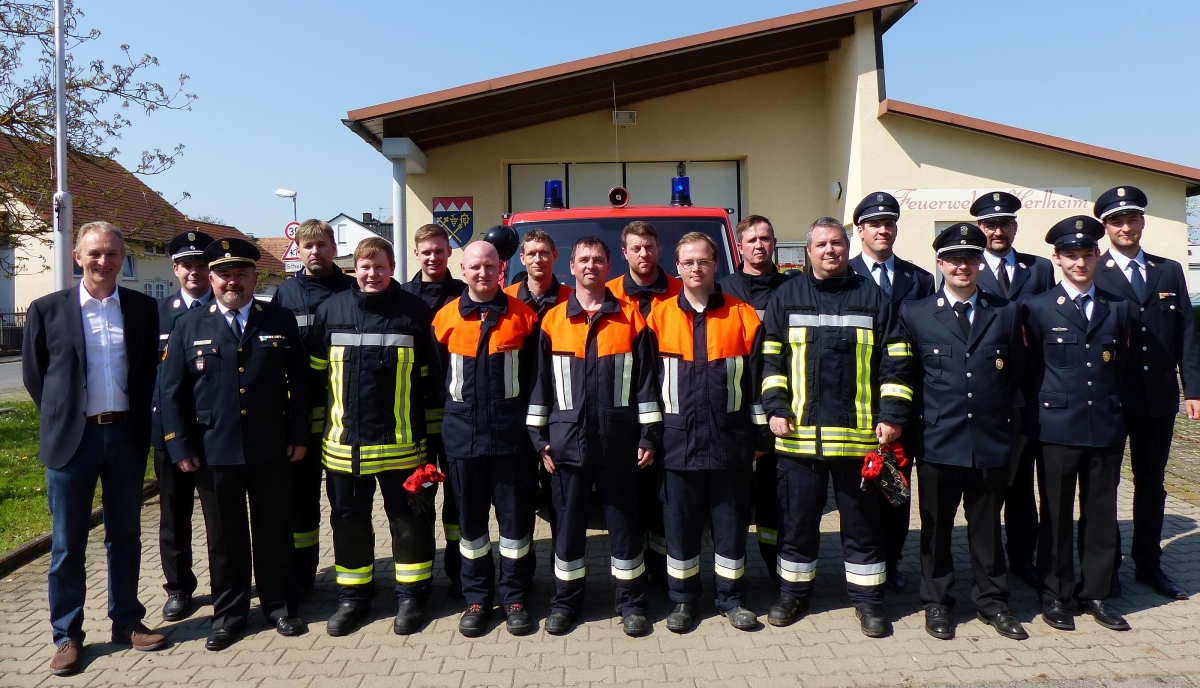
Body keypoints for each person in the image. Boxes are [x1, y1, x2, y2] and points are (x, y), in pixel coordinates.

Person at [23, 221, 165, 676]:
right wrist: (63, 416)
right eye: (95, 254)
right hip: (72, 441)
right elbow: (35, 376)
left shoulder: (144, 309)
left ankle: (126, 620)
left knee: (125, 535)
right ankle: (66, 634)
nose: (104, 261)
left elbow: (146, 373)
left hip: (124, 436)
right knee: (67, 544)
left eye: (112, 254)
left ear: (122, 258)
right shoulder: (47, 310)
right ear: (78, 258)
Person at [759, 217, 912, 638]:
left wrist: (892, 415)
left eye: (837, 244)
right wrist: (775, 407)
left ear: (848, 248)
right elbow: (770, 359)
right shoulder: (786, 296)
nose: (830, 251)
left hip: (860, 440)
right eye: (821, 244)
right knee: (797, 525)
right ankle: (793, 594)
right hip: (799, 439)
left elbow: (896, 361)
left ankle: (869, 603)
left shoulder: (873, 296)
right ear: (807, 252)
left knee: (864, 528)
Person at [160, 238, 309, 651]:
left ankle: (279, 605)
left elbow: (299, 384)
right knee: (224, 538)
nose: (233, 282)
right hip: (213, 450)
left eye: (241, 274)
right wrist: (179, 446)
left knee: (274, 531)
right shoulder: (188, 325)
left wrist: (298, 435)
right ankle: (229, 613)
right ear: (211, 278)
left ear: (254, 277)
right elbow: (171, 392)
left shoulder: (278, 318)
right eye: (224, 275)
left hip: (270, 448)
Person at [896, 223, 1028, 641]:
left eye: (970, 258)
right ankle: (936, 602)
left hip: (990, 440)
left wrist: (1014, 437)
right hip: (938, 440)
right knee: (935, 526)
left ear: (980, 263)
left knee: (987, 526)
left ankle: (993, 602)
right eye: (954, 259)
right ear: (940, 263)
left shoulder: (1005, 312)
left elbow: (1018, 378)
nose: (962, 266)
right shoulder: (915, 313)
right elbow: (906, 377)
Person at [307, 237, 442, 637]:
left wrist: (432, 444)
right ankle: (353, 598)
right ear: (354, 269)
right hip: (344, 448)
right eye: (365, 267)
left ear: (393, 266)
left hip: (404, 447)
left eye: (380, 267)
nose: (372, 274)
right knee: (349, 523)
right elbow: (316, 378)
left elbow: (431, 383)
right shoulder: (330, 311)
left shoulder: (415, 313)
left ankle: (412, 597)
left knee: (410, 525)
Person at [528, 236, 663, 637]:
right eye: (583, 259)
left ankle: (632, 604)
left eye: (598, 260)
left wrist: (649, 435)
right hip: (566, 445)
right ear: (570, 267)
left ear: (609, 267)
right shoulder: (552, 320)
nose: (591, 265)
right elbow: (540, 387)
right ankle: (565, 604)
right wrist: (539, 440)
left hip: (619, 444)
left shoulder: (631, 318)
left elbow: (647, 385)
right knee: (567, 531)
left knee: (624, 528)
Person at [647, 232, 766, 633]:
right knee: (680, 527)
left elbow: (757, 381)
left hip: (730, 441)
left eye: (703, 261)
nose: (696, 269)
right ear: (677, 269)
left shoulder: (742, 314)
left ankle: (731, 599)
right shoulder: (658, 317)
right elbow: (645, 384)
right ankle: (683, 601)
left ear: (716, 266)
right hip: (677, 443)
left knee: (730, 526)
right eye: (688, 262)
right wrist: (649, 435)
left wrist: (760, 437)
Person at [1022, 216, 1131, 632]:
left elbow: (1118, 368)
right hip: (1056, 427)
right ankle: (1055, 594)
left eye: (1087, 254)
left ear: (1097, 257)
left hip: (1103, 423)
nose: (1080, 262)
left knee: (1102, 514)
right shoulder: (1036, 307)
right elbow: (1029, 369)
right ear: (1057, 259)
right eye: (1071, 255)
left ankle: (1096, 593)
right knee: (1054, 513)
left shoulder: (1116, 308)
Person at [1092, 186, 1200, 601]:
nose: (1125, 226)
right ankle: (1108, 568)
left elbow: (1187, 332)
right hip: (1109, 398)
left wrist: (1193, 387)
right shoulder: (1093, 271)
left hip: (1157, 397)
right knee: (1104, 485)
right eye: (1116, 220)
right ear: (1105, 227)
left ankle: (1149, 564)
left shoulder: (1168, 270)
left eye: (1132, 219)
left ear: (1142, 223)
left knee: (1151, 484)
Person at [433, 241, 541, 637]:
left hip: (511, 441)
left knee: (515, 527)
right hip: (462, 441)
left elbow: (535, 381)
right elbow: (435, 382)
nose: (482, 273)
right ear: (463, 269)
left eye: (490, 266)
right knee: (471, 527)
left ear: (502, 269)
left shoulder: (524, 316)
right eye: (475, 266)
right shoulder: (444, 319)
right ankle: (476, 597)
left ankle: (514, 595)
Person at [848, 192, 935, 592]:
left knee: (896, 487)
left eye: (890, 223)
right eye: (875, 224)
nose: (884, 230)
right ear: (860, 230)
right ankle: (865, 561)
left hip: (903, 403)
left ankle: (894, 560)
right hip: (856, 402)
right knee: (861, 489)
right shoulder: (842, 276)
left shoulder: (920, 279)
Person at [970, 191, 1055, 589]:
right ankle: (991, 560)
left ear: (1015, 227)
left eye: (1004, 224)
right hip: (985, 392)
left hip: (1031, 390)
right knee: (993, 483)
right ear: (980, 229)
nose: (998, 231)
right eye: (990, 225)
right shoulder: (967, 267)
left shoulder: (1038, 269)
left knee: (1023, 484)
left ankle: (1024, 555)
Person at [271, 219, 355, 593]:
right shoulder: (285, 294)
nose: (315, 252)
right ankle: (302, 578)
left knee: (345, 503)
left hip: (343, 414)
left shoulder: (353, 290)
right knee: (300, 503)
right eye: (308, 246)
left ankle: (351, 572)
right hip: (300, 417)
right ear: (298, 251)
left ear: (334, 248)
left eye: (322, 244)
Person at [606, 220, 681, 588]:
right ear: (624, 253)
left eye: (649, 246)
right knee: (629, 499)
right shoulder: (608, 294)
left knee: (665, 499)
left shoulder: (682, 290)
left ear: (659, 248)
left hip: (675, 407)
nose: (643, 254)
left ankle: (664, 572)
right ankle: (634, 571)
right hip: (622, 411)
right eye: (635, 248)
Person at [718, 215, 791, 581]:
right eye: (752, 239)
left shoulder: (793, 288)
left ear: (774, 243)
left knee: (774, 495)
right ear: (740, 246)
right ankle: (731, 569)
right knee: (730, 498)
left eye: (765, 238)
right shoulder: (723, 289)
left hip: (780, 405)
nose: (759, 245)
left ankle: (776, 568)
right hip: (732, 405)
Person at [401, 223, 468, 597]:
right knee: (419, 494)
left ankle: (460, 572)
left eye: (439, 251)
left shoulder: (464, 294)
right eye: (426, 252)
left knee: (458, 497)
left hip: (456, 413)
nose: (432, 257)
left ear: (448, 253)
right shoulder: (404, 297)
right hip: (414, 414)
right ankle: (420, 575)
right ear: (416, 254)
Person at [153, 229, 215, 623]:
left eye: (202, 265)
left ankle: (228, 583)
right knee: (174, 514)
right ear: (175, 269)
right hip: (170, 430)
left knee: (220, 517)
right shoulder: (154, 314)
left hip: (214, 430)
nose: (195, 272)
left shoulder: (226, 308)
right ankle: (179, 588)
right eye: (187, 265)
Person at [503, 229, 573, 542]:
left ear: (555, 256)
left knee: (561, 499)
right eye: (531, 253)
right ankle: (522, 574)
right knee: (519, 500)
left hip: (560, 411)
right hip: (516, 412)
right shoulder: (504, 300)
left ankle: (564, 568)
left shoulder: (572, 298)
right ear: (522, 258)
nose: (538, 258)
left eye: (544, 252)